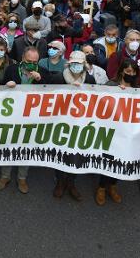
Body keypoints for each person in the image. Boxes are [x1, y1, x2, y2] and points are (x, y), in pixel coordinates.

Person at [0, 47, 50, 194]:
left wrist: (41, 80)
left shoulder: (43, 72)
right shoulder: (11, 69)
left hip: (31, 116)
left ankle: (22, 178)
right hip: (12, 114)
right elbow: (1, 90)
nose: (32, 64)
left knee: (25, 146)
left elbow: (51, 93)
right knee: (8, 144)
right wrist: (8, 85)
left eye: (35, 61)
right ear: (22, 59)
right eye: (28, 61)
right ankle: (5, 176)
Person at [50, 51, 96, 201]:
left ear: (84, 65)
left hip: (80, 122)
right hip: (60, 120)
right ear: (69, 64)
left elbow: (98, 97)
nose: (76, 66)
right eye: (74, 63)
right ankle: (60, 181)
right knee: (60, 150)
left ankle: (71, 182)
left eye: (79, 63)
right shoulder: (58, 77)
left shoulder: (89, 78)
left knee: (76, 151)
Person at [96, 59, 139, 205]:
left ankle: (113, 186)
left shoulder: (137, 88)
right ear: (121, 71)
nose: (131, 74)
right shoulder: (111, 85)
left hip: (126, 131)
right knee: (108, 159)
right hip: (111, 129)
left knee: (121, 159)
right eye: (128, 72)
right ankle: (101, 187)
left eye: (133, 72)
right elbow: (98, 99)